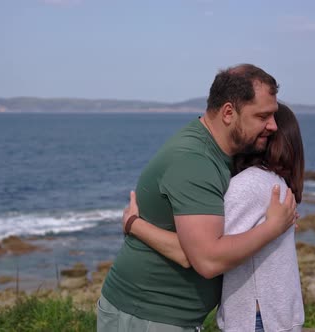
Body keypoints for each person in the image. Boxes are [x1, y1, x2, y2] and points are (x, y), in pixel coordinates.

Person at [98, 64, 298, 331]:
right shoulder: (196, 162)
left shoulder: (221, 153)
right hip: (148, 316)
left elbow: (196, 249)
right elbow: (206, 259)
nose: (273, 126)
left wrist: (135, 225)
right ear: (229, 112)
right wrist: (272, 227)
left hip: (163, 316)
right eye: (262, 116)